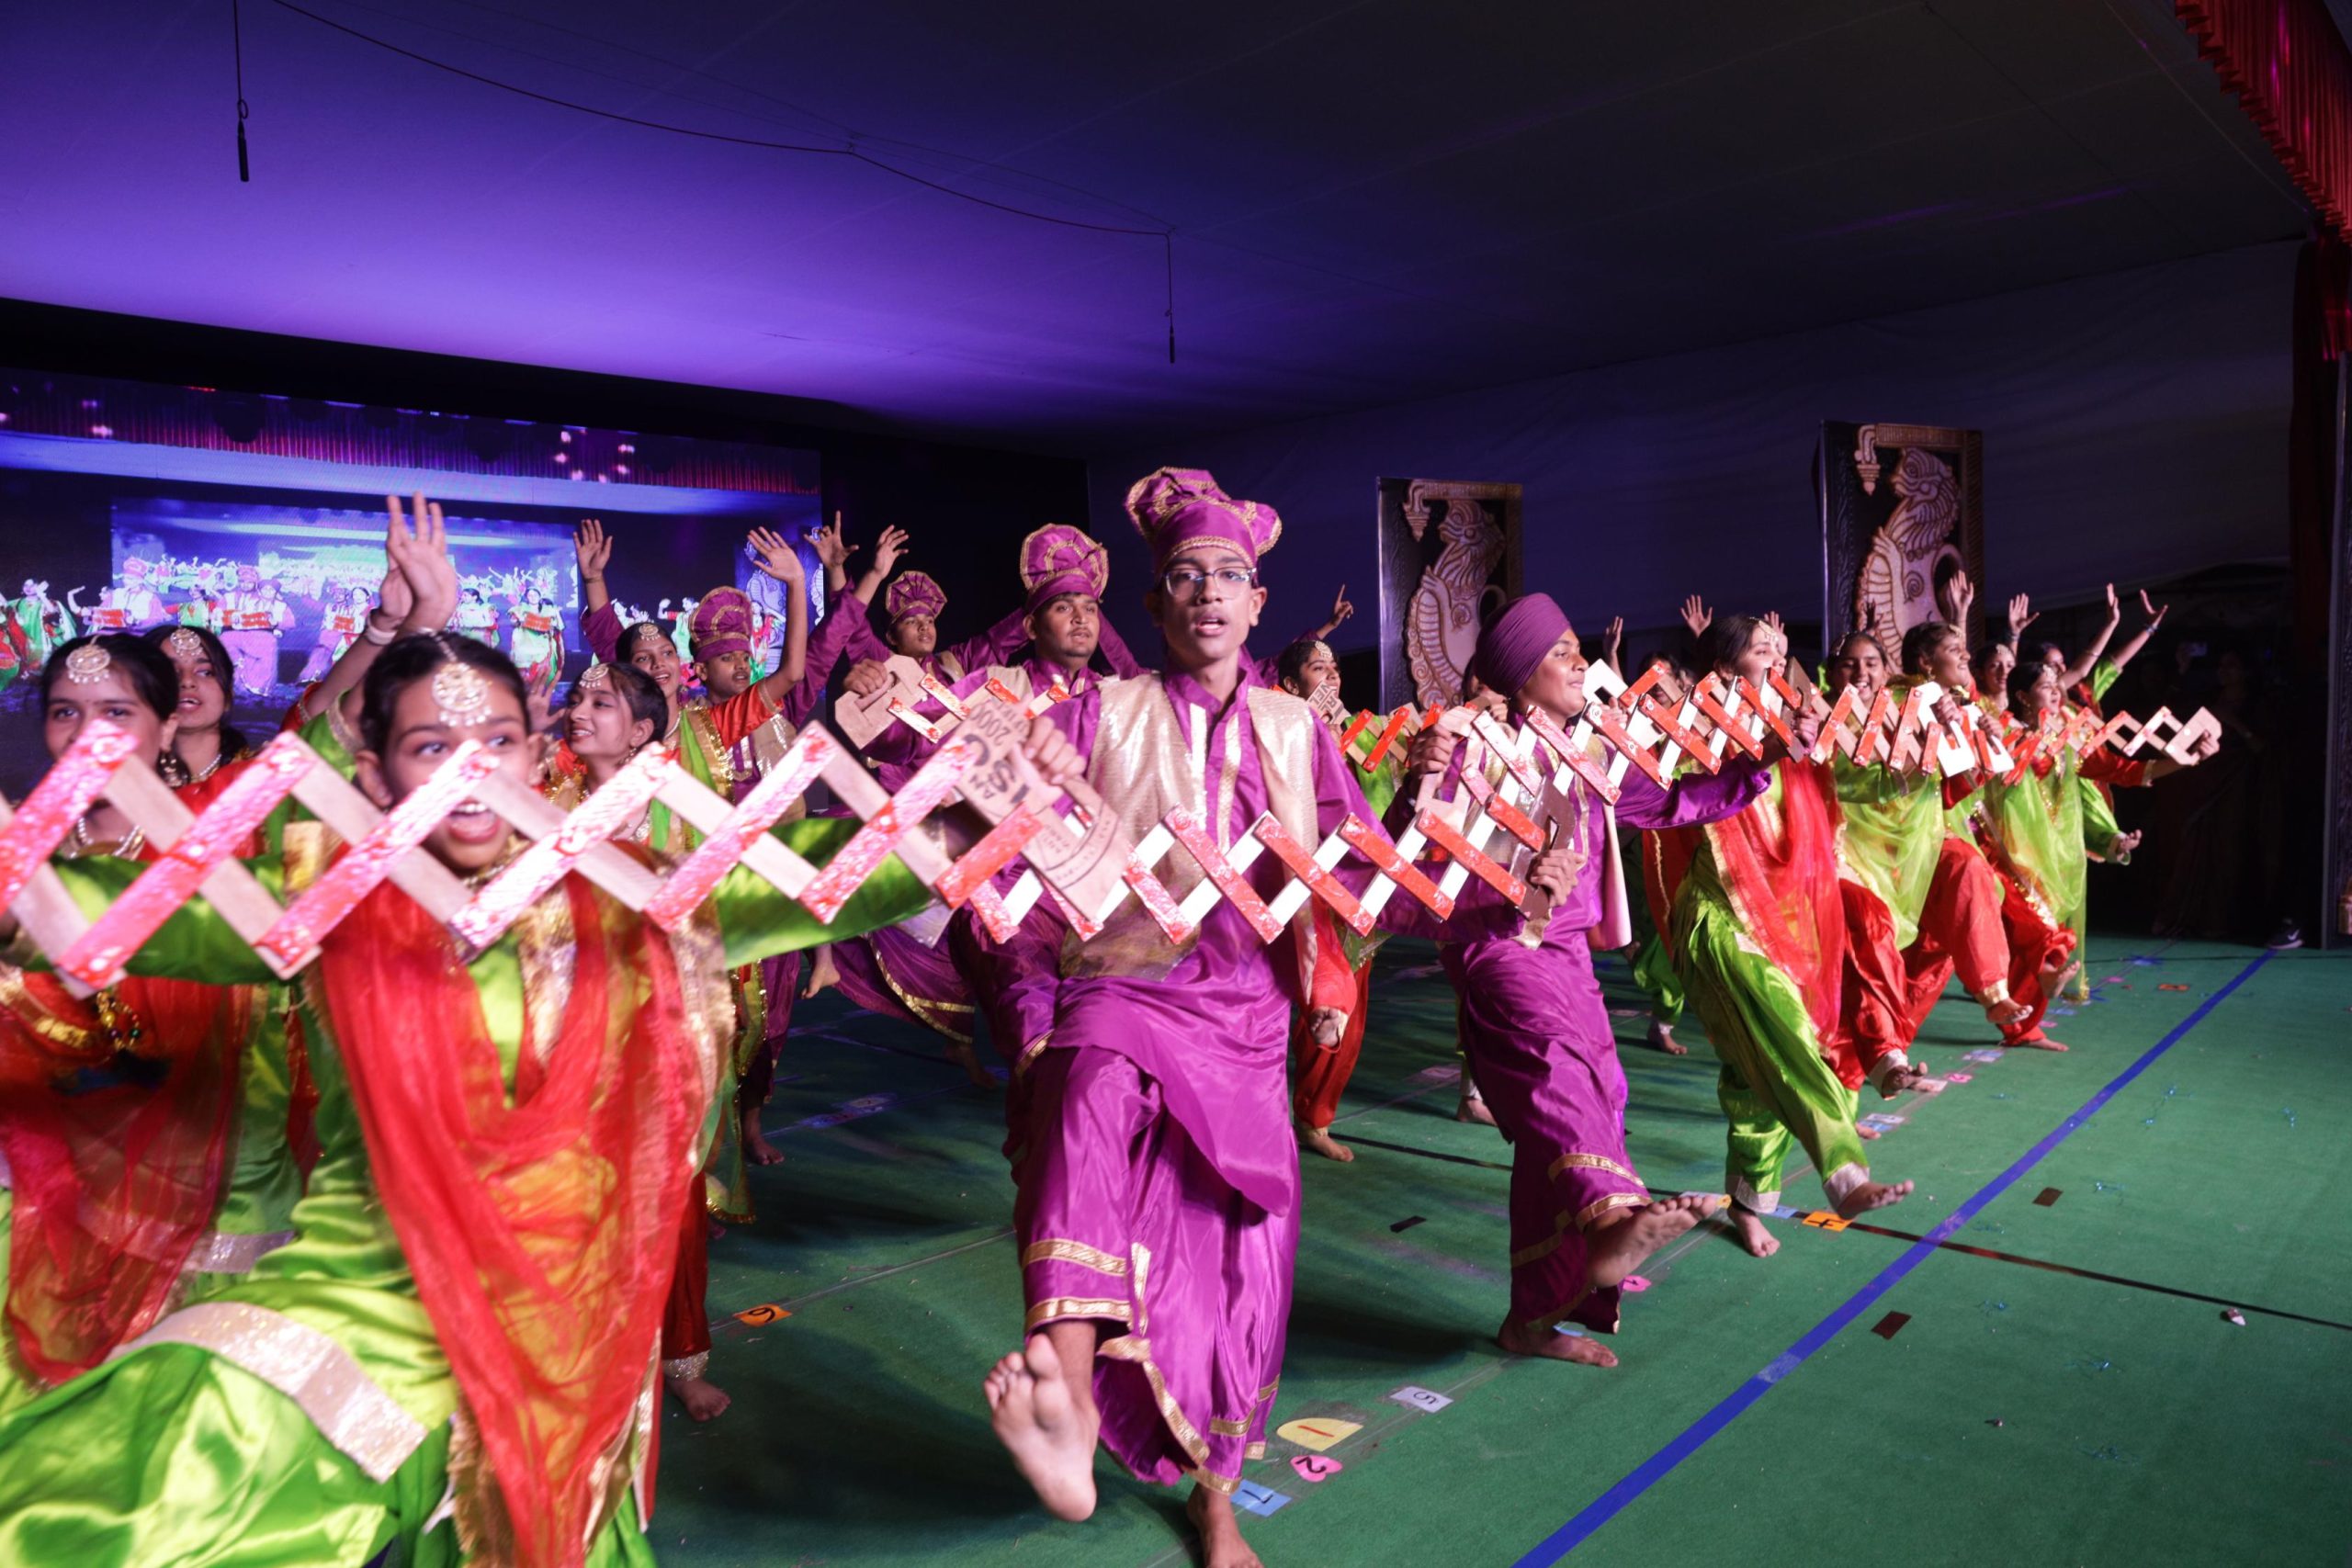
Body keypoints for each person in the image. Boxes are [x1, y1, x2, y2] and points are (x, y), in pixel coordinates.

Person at [0, 624, 933, 1568]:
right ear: (375, 774)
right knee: (123, 1508)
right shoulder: (325, 904)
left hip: (552, 1346)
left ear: (534, 753)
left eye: (496, 741)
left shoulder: (627, 896)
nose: (469, 771)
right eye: (430, 745)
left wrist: (979, 814)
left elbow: (833, 871)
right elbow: (96, 915)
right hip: (369, 1311)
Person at [980, 468, 1459, 1568]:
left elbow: (1355, 877)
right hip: (1120, 988)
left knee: (1237, 1272)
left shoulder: (1297, 729)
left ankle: (1216, 1494)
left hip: (1244, 1022)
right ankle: (1068, 1400)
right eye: (1185, 576)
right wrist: (1019, 772)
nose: (1206, 592)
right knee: (1086, 1098)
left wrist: (1424, 812)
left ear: (1257, 604)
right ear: (1153, 605)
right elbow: (1006, 862)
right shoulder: (1096, 712)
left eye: (1228, 576)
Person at [1405, 593, 1755, 1364]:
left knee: (1584, 1109)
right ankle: (1609, 1221)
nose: (1579, 663)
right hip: (1497, 945)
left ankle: (1531, 1318)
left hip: (1567, 954)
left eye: (1576, 649)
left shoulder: (1588, 749)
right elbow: (1413, 849)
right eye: (1561, 652)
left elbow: (1666, 802)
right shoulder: (1467, 746)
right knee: (1556, 1067)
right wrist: (1419, 783)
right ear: (1521, 674)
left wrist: (1754, 770)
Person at [1668, 614, 1912, 1260]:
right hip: (1723, 921)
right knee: (1787, 1037)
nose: (1778, 657)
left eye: (1780, 648)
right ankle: (1844, 1172)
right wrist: (1769, 750)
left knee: (1754, 1076)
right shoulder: (1700, 729)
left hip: (1791, 917)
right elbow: (1688, 800)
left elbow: (1863, 780)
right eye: (1761, 650)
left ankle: (1748, 1203)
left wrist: (1914, 751)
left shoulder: (1801, 724)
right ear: (1726, 669)